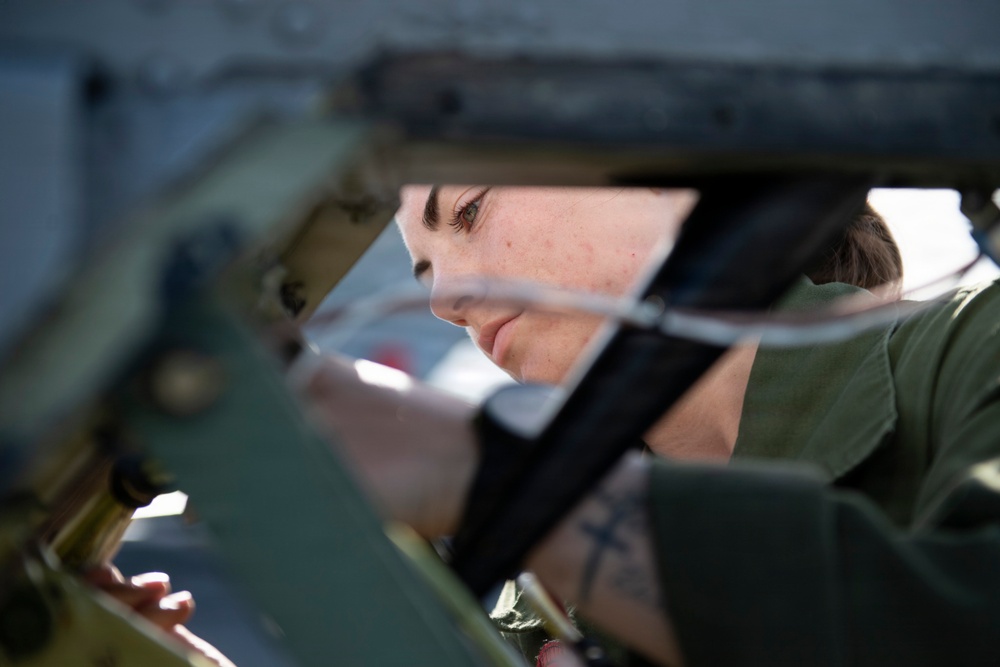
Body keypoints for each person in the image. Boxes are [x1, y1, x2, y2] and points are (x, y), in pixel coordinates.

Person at [102, 185, 1000, 666]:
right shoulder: (544, 599)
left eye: (472, 208)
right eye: (422, 268)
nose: (446, 298)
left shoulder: (978, 351)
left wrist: (497, 476)